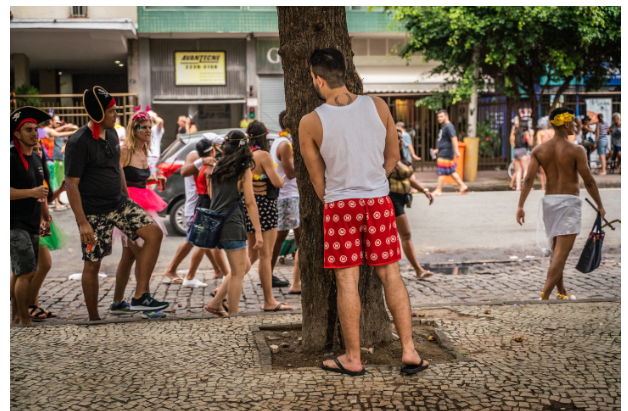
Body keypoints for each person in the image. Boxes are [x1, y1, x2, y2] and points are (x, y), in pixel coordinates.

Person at [300, 48, 429, 375]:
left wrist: (342, 194)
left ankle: (354, 358)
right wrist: (371, 181)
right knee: (391, 274)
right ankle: (410, 351)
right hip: (379, 201)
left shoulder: (310, 122)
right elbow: (392, 156)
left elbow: (318, 181)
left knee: (347, 281)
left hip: (340, 205)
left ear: (318, 79)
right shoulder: (378, 105)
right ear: (346, 73)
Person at [64, 86, 169, 321]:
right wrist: (83, 223)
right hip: (93, 212)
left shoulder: (112, 134)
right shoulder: (78, 142)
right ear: (98, 114)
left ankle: (141, 295)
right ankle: (94, 319)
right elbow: (71, 184)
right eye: (112, 112)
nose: (116, 116)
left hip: (120, 203)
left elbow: (117, 170)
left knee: (153, 233)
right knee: (93, 264)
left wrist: (127, 200)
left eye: (116, 111)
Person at [517, 107, 605, 300]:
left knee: (557, 250)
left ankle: (560, 290)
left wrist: (520, 205)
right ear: (566, 124)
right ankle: (545, 296)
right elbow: (589, 181)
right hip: (568, 203)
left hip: (549, 203)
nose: (575, 125)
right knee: (561, 254)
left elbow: (529, 179)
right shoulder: (576, 150)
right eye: (573, 122)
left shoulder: (540, 150)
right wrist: (599, 205)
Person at [109, 111, 169, 319]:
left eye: (149, 127)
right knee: (141, 252)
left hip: (145, 205)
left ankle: (118, 303)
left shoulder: (144, 152)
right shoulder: (125, 150)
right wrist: (126, 203)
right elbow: (117, 179)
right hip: (129, 207)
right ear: (133, 130)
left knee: (129, 257)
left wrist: (155, 179)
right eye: (142, 127)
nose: (147, 131)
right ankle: (143, 300)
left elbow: (138, 180)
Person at [203, 130, 264, 316]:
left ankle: (215, 303)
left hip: (218, 224)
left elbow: (213, 197)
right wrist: (259, 233)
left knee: (244, 266)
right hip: (233, 224)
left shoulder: (218, 166)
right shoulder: (243, 169)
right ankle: (234, 317)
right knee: (238, 273)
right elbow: (250, 202)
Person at [162, 134, 229, 284]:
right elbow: (184, 172)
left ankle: (219, 271)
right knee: (196, 241)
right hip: (195, 205)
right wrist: (202, 161)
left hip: (198, 204)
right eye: (215, 148)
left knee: (204, 241)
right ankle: (175, 270)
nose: (217, 152)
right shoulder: (196, 158)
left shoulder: (208, 162)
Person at [241, 120, 293, 311]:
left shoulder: (246, 156)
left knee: (252, 254)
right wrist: (281, 177)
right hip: (266, 207)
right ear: (264, 136)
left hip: (252, 208)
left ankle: (224, 290)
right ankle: (269, 301)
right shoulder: (263, 155)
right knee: (265, 255)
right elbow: (277, 182)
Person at [10, 106, 52, 325]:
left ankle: (17, 316)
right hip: (13, 224)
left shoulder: (36, 158)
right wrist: (32, 192)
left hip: (32, 221)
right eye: (28, 130)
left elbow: (41, 192)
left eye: (36, 129)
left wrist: (45, 216)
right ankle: (23, 318)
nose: (35, 133)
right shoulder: (10, 158)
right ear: (17, 134)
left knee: (20, 272)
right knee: (26, 272)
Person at [29, 139, 71, 321]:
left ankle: (34, 306)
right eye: (35, 149)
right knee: (43, 264)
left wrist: (61, 189)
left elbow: (47, 198)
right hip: (33, 221)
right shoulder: (27, 170)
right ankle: (29, 304)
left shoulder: (42, 172)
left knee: (36, 266)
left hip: (44, 220)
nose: (38, 152)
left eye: (40, 150)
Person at [182, 137, 230, 288]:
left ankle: (225, 274)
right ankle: (190, 277)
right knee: (204, 244)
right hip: (207, 205)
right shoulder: (208, 168)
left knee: (209, 244)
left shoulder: (202, 167)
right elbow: (211, 192)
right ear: (212, 151)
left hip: (203, 204)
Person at [389, 131, 435, 279]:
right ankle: (418, 269)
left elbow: (409, 178)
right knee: (406, 234)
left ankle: (411, 269)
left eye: (401, 138)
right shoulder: (386, 158)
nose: (401, 141)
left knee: (396, 235)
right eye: (397, 138)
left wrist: (424, 190)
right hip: (391, 199)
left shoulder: (401, 158)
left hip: (402, 199)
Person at [270, 110, 301, 294]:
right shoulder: (285, 144)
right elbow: (291, 173)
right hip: (289, 196)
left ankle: (271, 274)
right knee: (286, 239)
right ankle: (294, 282)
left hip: (286, 195)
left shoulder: (279, 142)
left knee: (285, 239)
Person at [431, 110, 468, 196]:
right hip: (444, 151)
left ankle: (438, 190)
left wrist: (456, 151)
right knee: (451, 171)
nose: (439, 118)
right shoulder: (445, 127)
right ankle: (462, 185)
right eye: (438, 117)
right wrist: (437, 150)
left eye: (441, 116)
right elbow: (445, 141)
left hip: (445, 152)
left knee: (441, 171)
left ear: (446, 116)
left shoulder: (449, 126)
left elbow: (454, 138)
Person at [509, 116, 533, 191]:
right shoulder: (525, 132)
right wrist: (531, 135)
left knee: (518, 170)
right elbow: (531, 143)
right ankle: (526, 186)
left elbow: (512, 143)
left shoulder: (514, 132)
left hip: (515, 151)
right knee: (526, 169)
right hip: (523, 150)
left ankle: (518, 187)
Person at [534, 116, 554, 190]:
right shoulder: (553, 132)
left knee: (542, 171)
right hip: (552, 152)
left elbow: (539, 143)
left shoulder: (540, 132)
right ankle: (550, 186)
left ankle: (543, 186)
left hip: (543, 152)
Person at [147, 110, 165, 175]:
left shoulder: (156, 129)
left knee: (153, 177)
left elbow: (160, 121)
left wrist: (154, 116)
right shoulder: (146, 129)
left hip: (154, 156)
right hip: (146, 155)